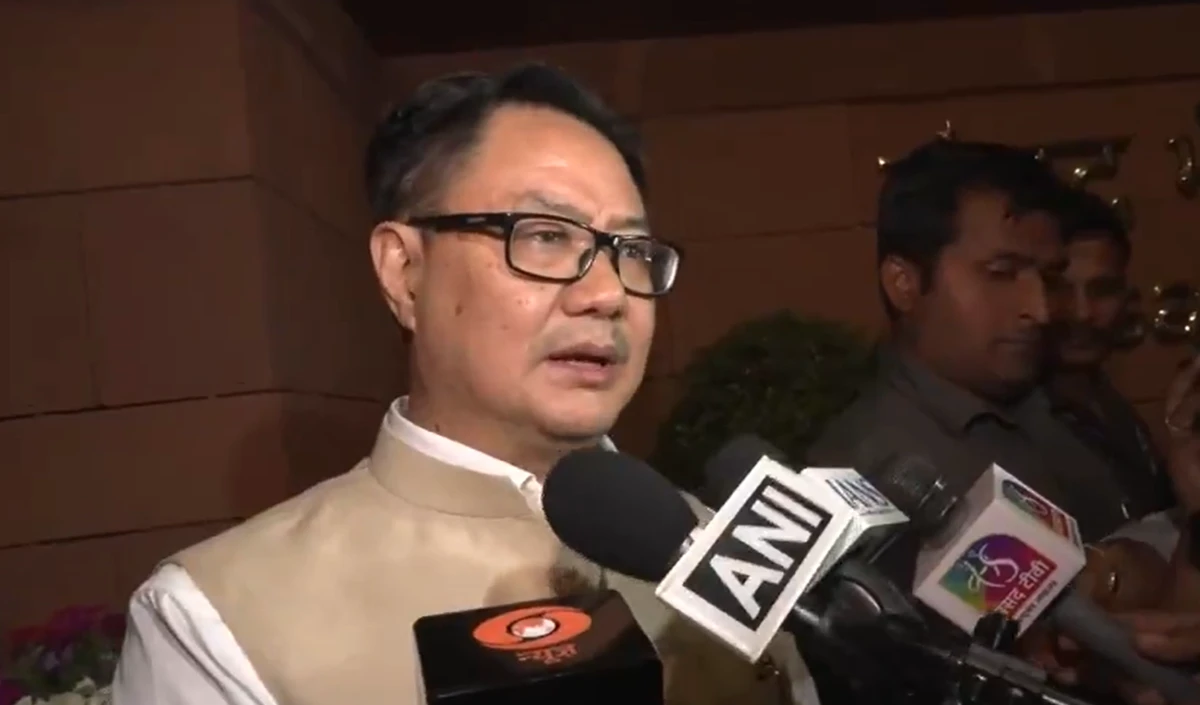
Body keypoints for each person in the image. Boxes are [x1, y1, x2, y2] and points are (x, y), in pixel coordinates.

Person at [111, 64, 816, 705]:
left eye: (629, 250)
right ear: (403, 271)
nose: (606, 294)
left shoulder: (730, 547)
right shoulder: (218, 620)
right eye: (545, 235)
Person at [807, 139, 1140, 540]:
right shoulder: (863, 479)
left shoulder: (1061, 407)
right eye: (1001, 274)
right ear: (904, 283)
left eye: (1050, 278)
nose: (1041, 310)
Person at [1044, 188, 1175, 515]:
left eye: (1102, 290)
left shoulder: (1108, 400)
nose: (1082, 312)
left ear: (1127, 298)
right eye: (1060, 289)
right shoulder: (1009, 425)